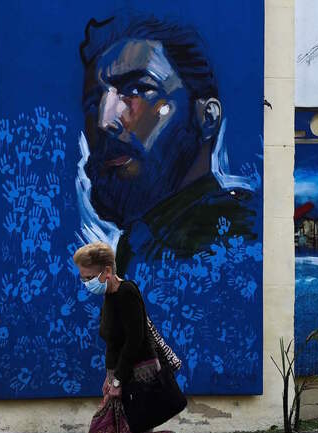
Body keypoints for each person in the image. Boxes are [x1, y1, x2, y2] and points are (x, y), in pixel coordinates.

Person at [79, 15, 258, 273]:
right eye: (94, 103)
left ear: (206, 118)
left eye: (138, 89)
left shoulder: (234, 238)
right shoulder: (145, 242)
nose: (105, 120)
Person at [74, 241, 184, 433]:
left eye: (88, 277)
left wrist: (119, 380)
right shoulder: (110, 295)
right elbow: (116, 342)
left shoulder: (126, 293)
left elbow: (135, 341)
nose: (85, 283)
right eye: (83, 277)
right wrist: (108, 376)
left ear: (106, 271)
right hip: (120, 378)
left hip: (136, 381)